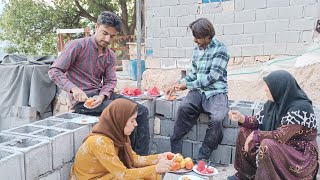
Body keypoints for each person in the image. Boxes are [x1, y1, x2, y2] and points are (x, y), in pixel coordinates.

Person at [48, 11, 150, 155]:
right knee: (124, 113)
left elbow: (110, 81)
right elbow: (54, 71)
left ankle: (140, 158)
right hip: (82, 102)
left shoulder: (110, 55)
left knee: (141, 111)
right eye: (104, 33)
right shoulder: (77, 46)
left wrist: (102, 96)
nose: (107, 39)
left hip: (102, 97)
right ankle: (129, 158)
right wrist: (74, 89)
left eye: (112, 36)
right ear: (96, 26)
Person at [228, 70, 318, 180]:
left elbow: (281, 135)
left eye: (269, 86)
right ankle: (246, 176)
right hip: (280, 146)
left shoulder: (301, 108)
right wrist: (241, 118)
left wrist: (256, 135)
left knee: (267, 144)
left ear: (279, 88)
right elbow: (258, 120)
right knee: (244, 131)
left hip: (298, 155)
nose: (265, 89)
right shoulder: (273, 103)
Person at [166, 18, 230, 160]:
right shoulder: (197, 50)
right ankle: (175, 152)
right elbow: (193, 73)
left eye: (197, 37)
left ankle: (204, 155)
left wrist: (188, 86)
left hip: (216, 91)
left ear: (208, 36)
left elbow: (212, 77)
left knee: (218, 118)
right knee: (183, 108)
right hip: (198, 91)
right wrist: (177, 85)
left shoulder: (221, 49)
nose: (195, 40)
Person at [70, 98, 173, 180]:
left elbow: (134, 159)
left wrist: (160, 157)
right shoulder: (100, 142)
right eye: (132, 121)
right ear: (120, 120)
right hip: (92, 178)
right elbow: (122, 175)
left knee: (148, 174)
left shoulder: (118, 135)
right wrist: (156, 168)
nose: (136, 124)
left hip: (107, 175)